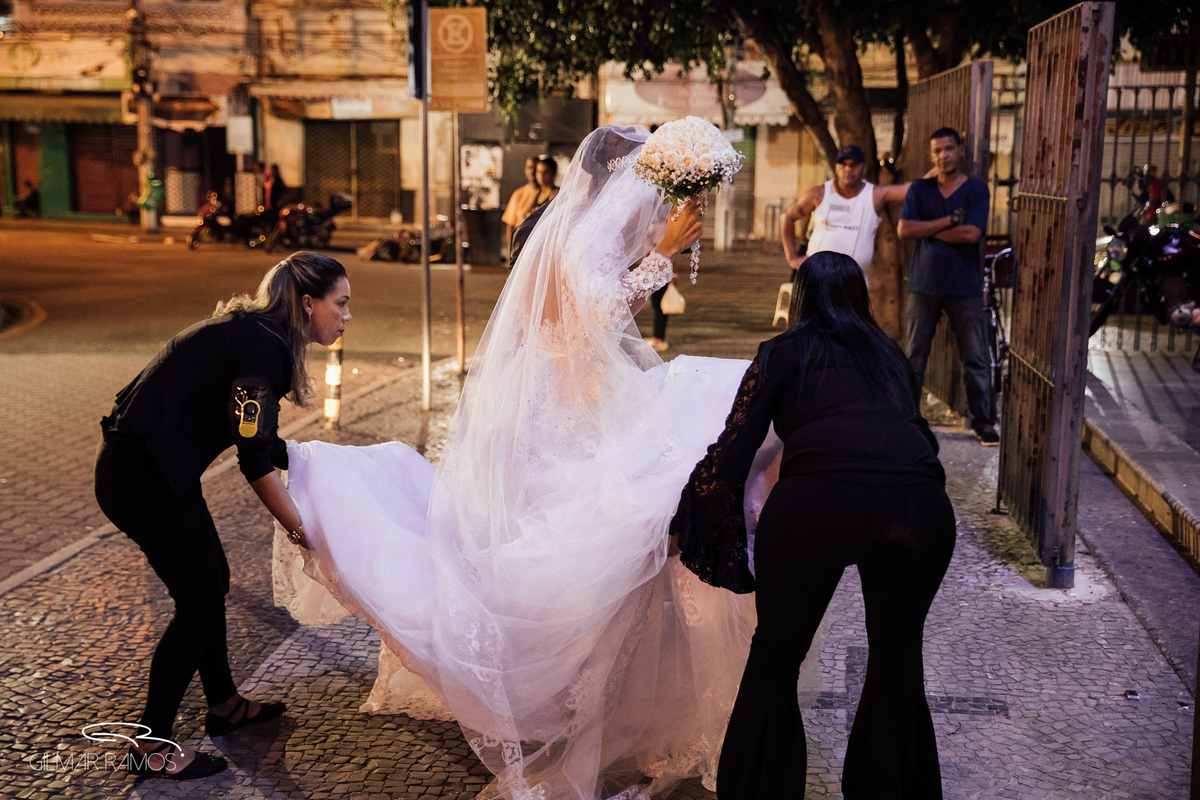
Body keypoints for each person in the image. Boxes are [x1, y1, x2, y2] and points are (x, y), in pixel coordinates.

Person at [277, 124, 793, 800]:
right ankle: (565, 700)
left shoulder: (584, 230)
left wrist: (655, 253)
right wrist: (663, 257)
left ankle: (631, 708)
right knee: (585, 550)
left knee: (629, 538)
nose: (653, 212)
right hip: (556, 409)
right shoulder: (583, 236)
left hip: (577, 395)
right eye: (647, 195)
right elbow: (595, 319)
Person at [670, 250, 956, 799]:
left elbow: (735, 449)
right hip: (916, 506)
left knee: (776, 656)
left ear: (799, 296)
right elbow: (914, 432)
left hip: (817, 503)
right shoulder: (889, 354)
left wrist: (691, 511)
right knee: (898, 657)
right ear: (859, 297)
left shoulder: (783, 351)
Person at [93, 252, 352, 779]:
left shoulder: (257, 333)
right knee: (199, 601)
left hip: (151, 473)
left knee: (211, 584)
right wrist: (301, 531)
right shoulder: (263, 349)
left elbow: (255, 438)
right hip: (142, 480)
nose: (347, 315)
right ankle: (150, 745)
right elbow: (253, 461)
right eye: (341, 303)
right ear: (308, 304)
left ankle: (224, 704)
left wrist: (312, 461)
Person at [897, 127, 999, 445]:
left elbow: (971, 235)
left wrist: (925, 229)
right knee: (914, 357)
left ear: (960, 151)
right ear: (931, 156)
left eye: (949, 149)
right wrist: (948, 222)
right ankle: (908, 421)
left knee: (975, 357)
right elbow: (903, 229)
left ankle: (983, 423)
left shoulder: (977, 191)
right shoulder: (919, 189)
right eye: (938, 151)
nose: (944, 155)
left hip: (964, 286)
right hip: (923, 285)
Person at [781, 144, 910, 281]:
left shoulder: (874, 195)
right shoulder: (818, 194)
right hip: (817, 278)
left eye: (854, 165)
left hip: (853, 282)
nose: (848, 169)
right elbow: (787, 216)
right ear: (836, 168)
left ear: (864, 168)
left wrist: (935, 173)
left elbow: (910, 189)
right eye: (843, 164)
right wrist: (792, 257)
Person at [502, 157, 540, 256]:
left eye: (535, 168)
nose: (532, 171)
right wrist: (510, 251)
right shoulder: (519, 194)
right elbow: (510, 224)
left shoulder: (549, 194)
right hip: (520, 248)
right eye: (529, 167)